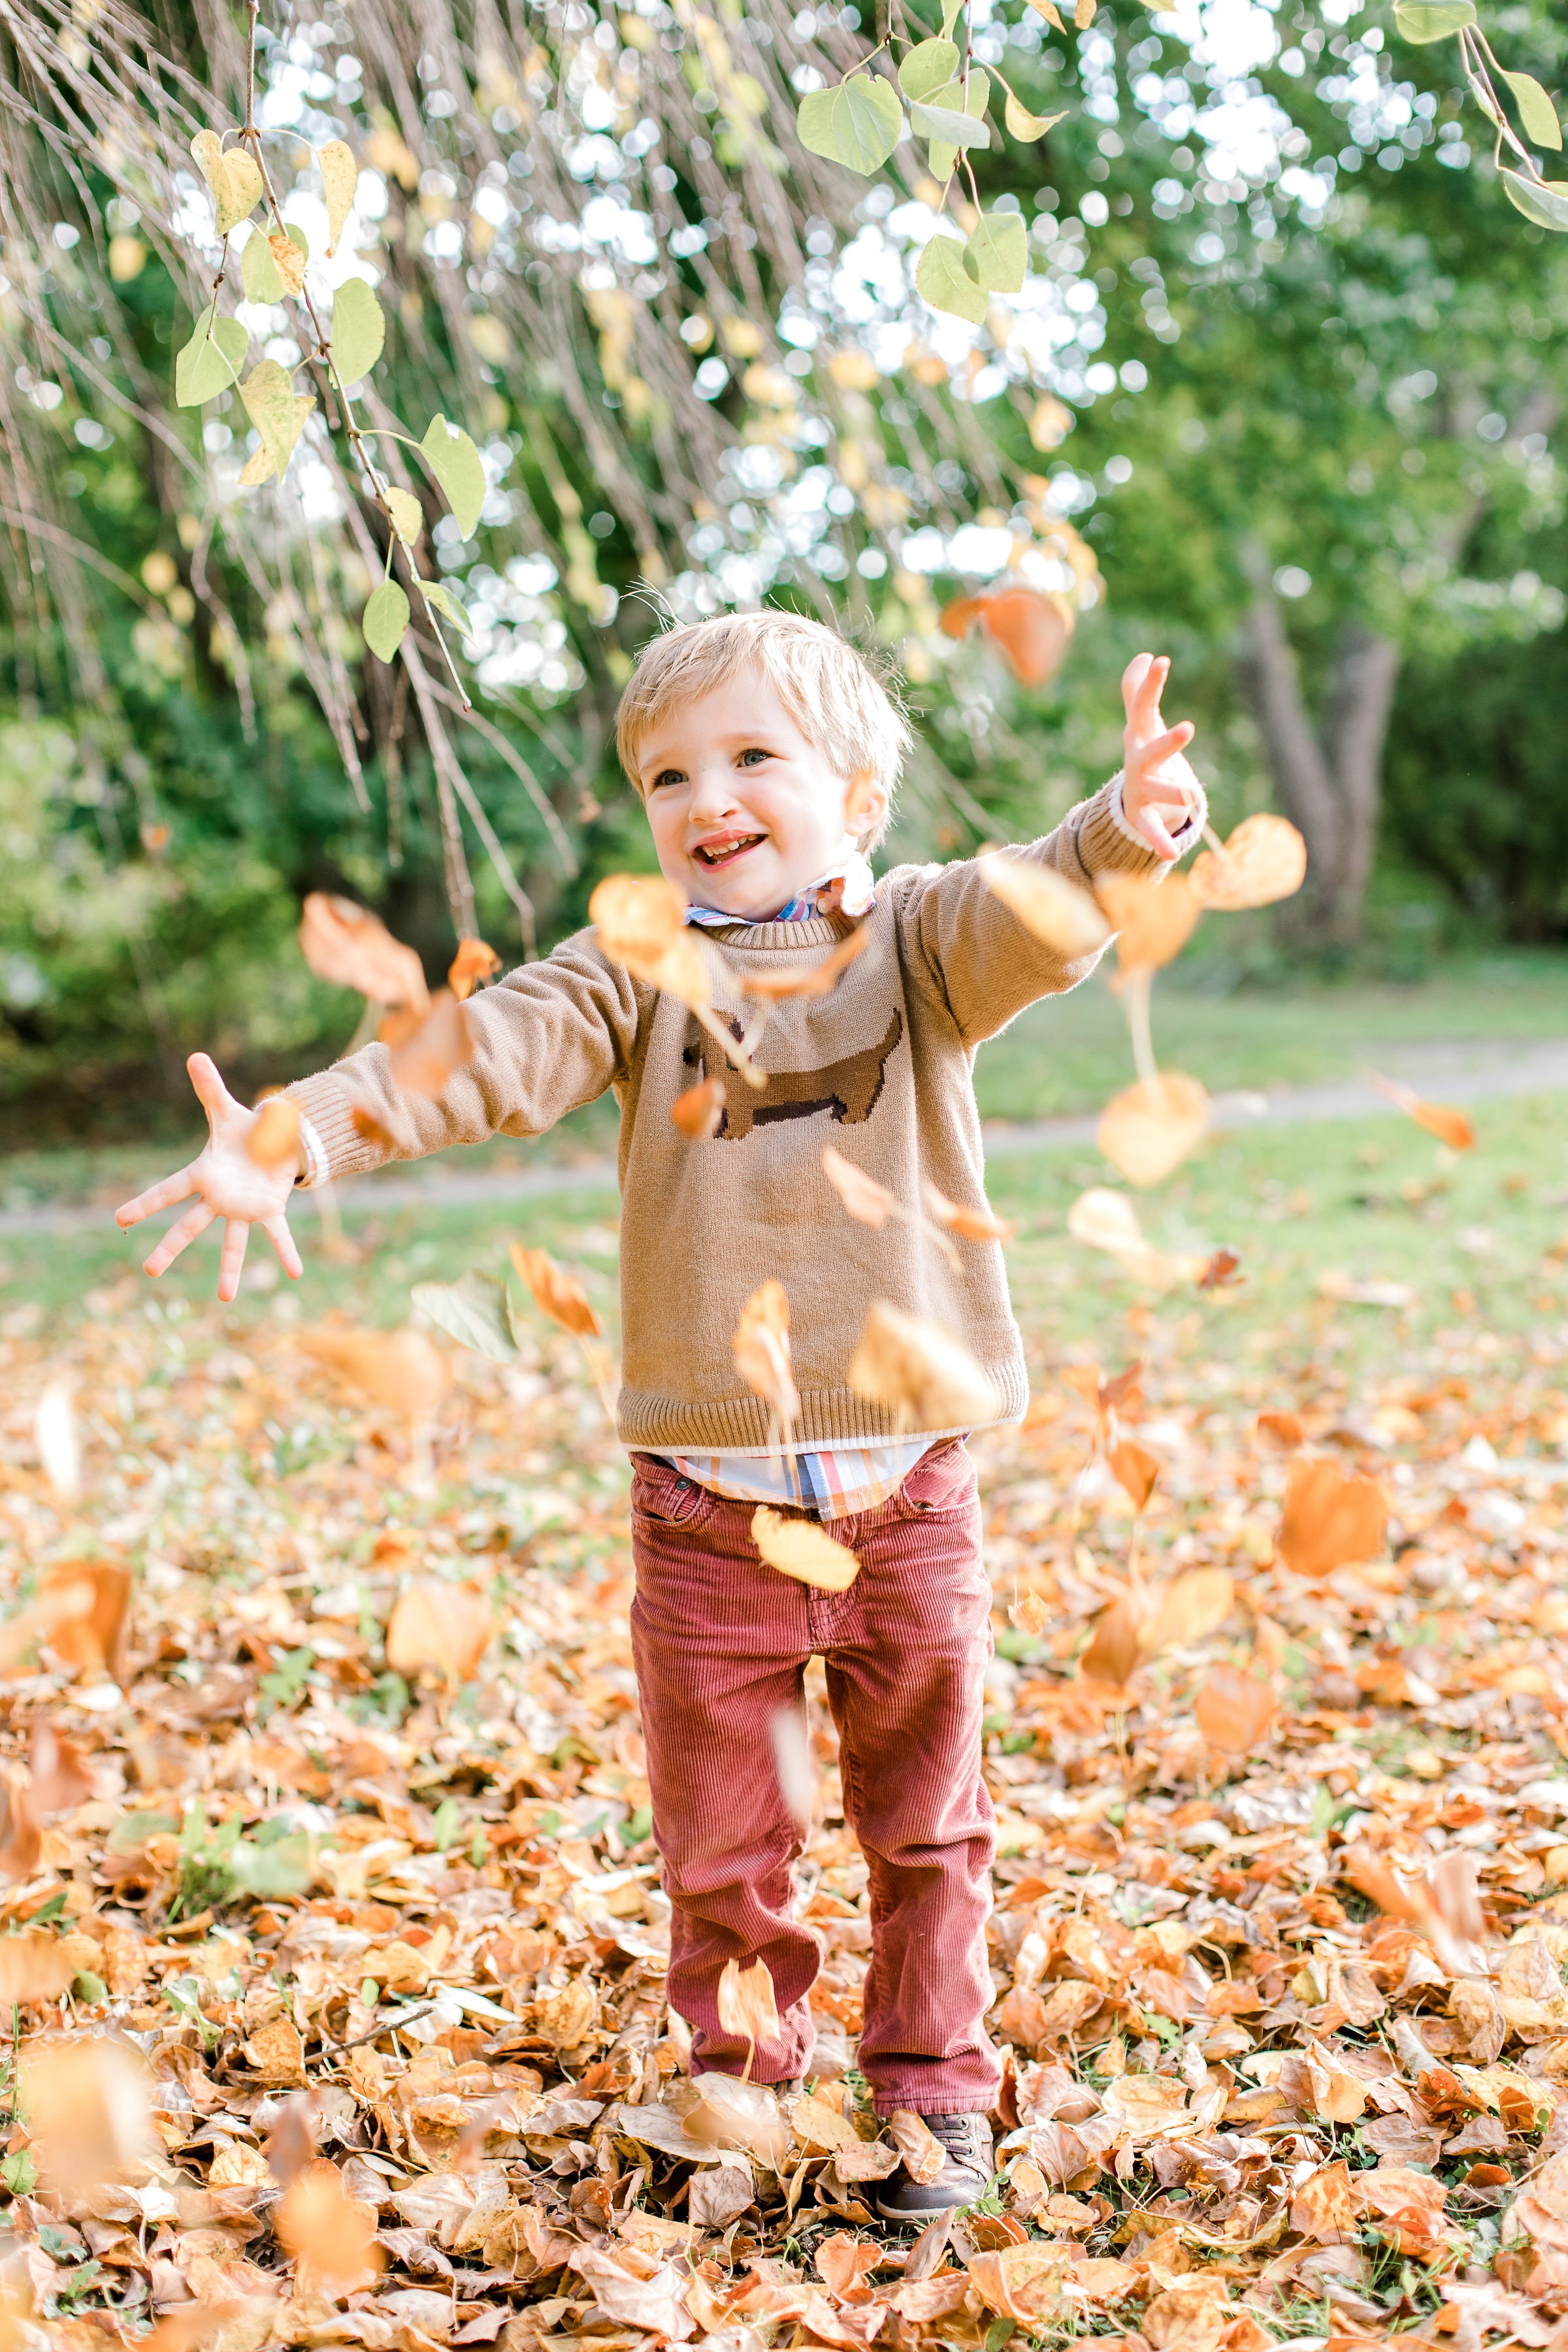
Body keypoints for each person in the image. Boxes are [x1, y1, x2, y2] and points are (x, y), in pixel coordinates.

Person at [117, 610, 1204, 2219]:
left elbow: (1030, 912)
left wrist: (1127, 830)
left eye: (755, 756)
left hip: (906, 1489)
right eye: (672, 773)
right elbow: (472, 1055)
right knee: (724, 1846)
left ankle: (931, 2097)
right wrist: (290, 1135)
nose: (713, 796)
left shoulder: (915, 944)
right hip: (705, 1508)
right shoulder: (634, 970)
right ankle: (746, 2090)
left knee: (927, 1823)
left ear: (858, 783)